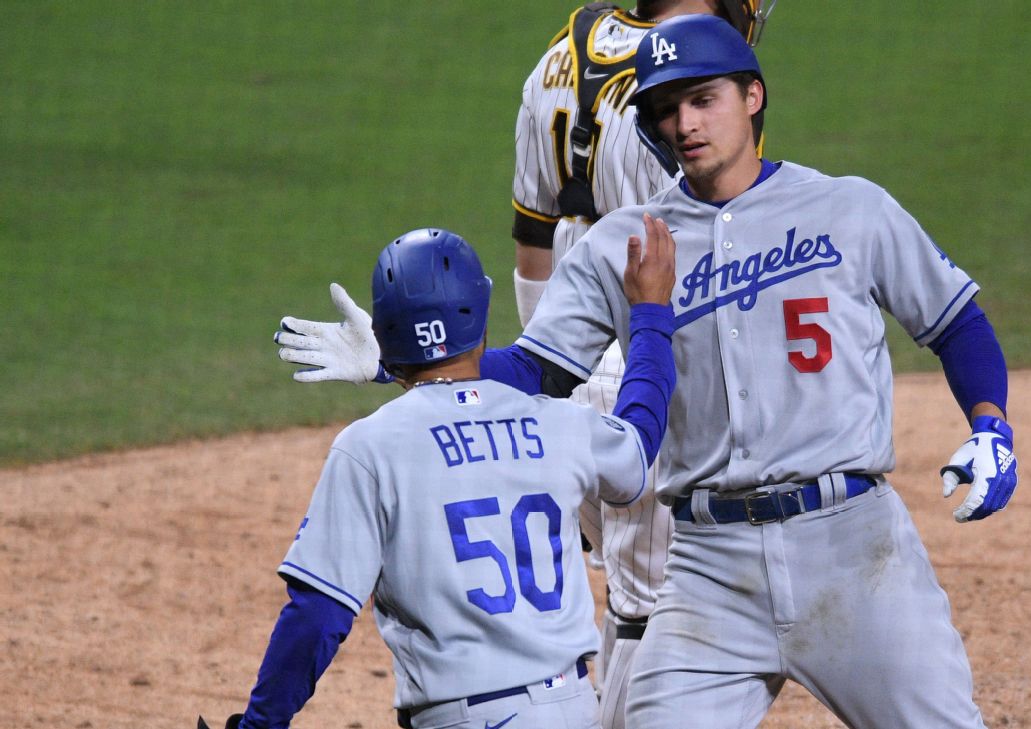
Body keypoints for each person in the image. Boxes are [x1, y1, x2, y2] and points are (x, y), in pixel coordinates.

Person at [275, 11, 1018, 729]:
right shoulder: (623, 246)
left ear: (752, 97)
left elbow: (955, 321)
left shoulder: (850, 209)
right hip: (708, 571)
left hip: (853, 551)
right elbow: (538, 370)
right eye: (666, 109)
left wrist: (990, 424)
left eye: (703, 100)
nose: (686, 124)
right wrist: (406, 361)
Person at [276, 3, 777, 727]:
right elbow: (725, 240)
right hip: (654, 358)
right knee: (658, 606)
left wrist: (523, 377)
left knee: (637, 594)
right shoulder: (702, 79)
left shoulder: (561, 55)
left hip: (559, 371)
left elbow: (532, 240)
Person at [206, 224, 678, 729]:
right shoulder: (559, 423)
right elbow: (639, 437)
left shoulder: (370, 447)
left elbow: (318, 614)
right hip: (574, 708)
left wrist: (259, 724)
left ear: (383, 332)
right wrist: (650, 313)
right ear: (483, 309)